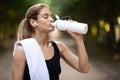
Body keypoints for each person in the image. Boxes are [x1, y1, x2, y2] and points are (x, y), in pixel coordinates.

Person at [12, 3, 89, 80]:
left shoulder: (59, 47)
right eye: (46, 17)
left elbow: (84, 68)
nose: (51, 19)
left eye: (51, 16)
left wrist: (79, 39)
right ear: (33, 22)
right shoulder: (22, 51)